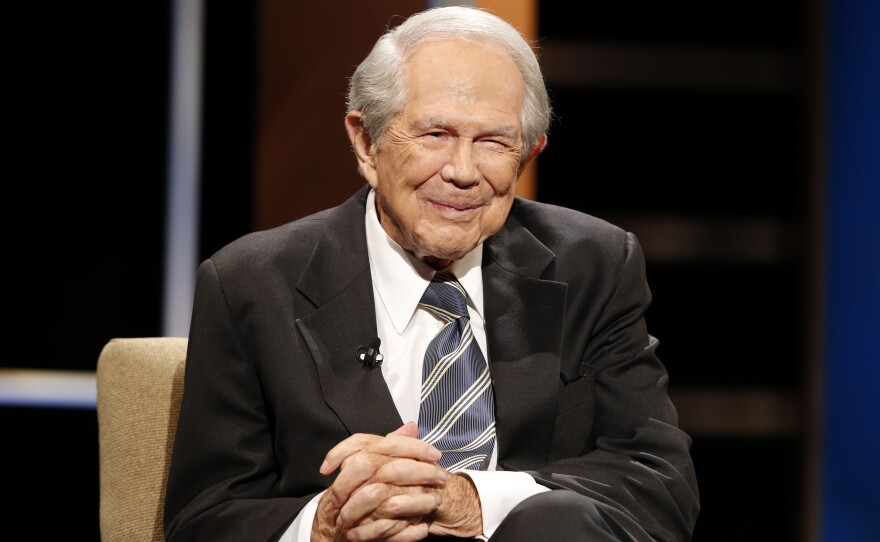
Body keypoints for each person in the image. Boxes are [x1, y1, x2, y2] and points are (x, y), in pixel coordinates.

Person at [163, 5, 700, 541]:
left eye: (493, 141)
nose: (463, 172)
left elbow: (660, 484)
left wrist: (471, 499)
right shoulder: (251, 285)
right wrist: (326, 524)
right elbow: (204, 519)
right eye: (435, 134)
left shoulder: (595, 264)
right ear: (366, 142)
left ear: (529, 153)